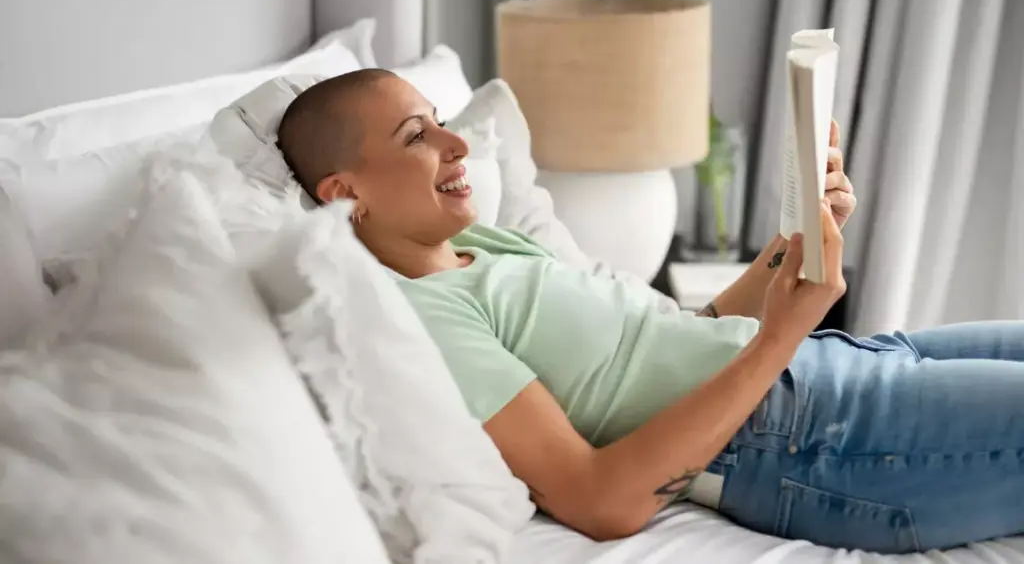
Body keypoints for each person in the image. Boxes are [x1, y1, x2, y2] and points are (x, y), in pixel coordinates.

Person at [276, 69, 1024, 554]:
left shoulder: (485, 245)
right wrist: (780, 337)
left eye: (438, 118)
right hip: (804, 437)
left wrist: (794, 243)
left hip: (837, 367)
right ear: (346, 194)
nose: (456, 142)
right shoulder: (424, 320)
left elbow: (679, 337)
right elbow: (599, 499)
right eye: (417, 136)